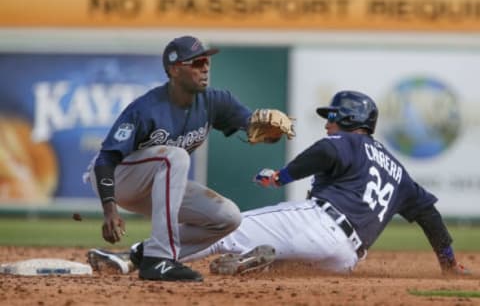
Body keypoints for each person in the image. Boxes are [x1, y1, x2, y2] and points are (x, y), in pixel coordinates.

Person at [88, 90, 470, 276]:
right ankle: (258, 264)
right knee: (288, 272)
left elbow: (325, 152)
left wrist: (280, 176)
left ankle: (131, 258)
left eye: (333, 116)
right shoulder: (398, 171)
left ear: (353, 121)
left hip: (319, 222)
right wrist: (448, 262)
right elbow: (429, 215)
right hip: (347, 258)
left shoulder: (347, 141)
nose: (328, 122)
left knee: (225, 226)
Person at [84, 35, 292, 282]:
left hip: (161, 183)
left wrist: (272, 134)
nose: (205, 67)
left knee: (227, 218)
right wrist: (110, 209)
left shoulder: (215, 101)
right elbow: (106, 159)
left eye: (207, 61)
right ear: (174, 69)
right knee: (175, 156)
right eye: (196, 62)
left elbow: (254, 128)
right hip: (119, 177)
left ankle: (145, 255)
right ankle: (160, 260)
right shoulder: (147, 108)